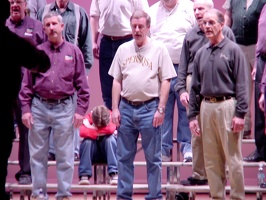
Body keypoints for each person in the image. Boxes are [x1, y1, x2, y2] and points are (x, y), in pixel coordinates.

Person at [19, 11, 90, 200]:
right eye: (47, 25)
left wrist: (80, 111)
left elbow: (83, 86)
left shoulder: (74, 52)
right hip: (39, 107)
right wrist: (25, 109)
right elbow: (26, 84)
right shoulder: (37, 51)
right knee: (37, 156)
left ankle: (64, 195)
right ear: (44, 28)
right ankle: (39, 194)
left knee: (65, 157)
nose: (51, 28)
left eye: (54, 24)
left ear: (62, 27)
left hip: (64, 108)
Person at [108, 10, 176, 200]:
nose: (137, 30)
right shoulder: (123, 49)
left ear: (148, 27)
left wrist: (161, 109)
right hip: (126, 109)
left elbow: (166, 80)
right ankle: (123, 196)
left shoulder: (159, 49)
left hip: (149, 109)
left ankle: (154, 196)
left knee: (153, 159)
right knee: (123, 158)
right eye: (134, 26)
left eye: (141, 26)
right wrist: (115, 108)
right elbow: (116, 81)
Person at [188, 8, 248, 199]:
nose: (206, 26)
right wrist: (192, 116)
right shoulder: (200, 54)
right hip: (206, 108)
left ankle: (237, 197)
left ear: (222, 25)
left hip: (227, 107)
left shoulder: (233, 50)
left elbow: (242, 84)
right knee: (211, 160)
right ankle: (217, 196)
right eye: (204, 23)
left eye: (211, 22)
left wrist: (240, 114)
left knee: (233, 158)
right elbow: (195, 88)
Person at [175, 0, 235, 186]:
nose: (197, 13)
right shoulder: (191, 35)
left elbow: (235, 64)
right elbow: (183, 66)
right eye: (194, 10)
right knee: (196, 130)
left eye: (201, 9)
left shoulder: (227, 33)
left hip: (219, 83)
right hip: (194, 82)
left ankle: (223, 174)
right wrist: (182, 89)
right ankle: (200, 174)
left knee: (222, 132)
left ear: (211, 11)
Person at [0, 0, 50, 199]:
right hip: (5, 101)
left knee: (26, 131)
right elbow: (41, 62)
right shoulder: (7, 36)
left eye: (18, 1)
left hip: (25, 90)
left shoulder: (35, 26)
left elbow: (45, 58)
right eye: (11, 2)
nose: (14, 5)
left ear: (25, 5)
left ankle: (25, 172)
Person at [37, 0, 94, 162]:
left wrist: (84, 72)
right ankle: (51, 151)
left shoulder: (79, 13)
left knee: (73, 112)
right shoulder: (44, 11)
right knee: (47, 110)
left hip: (71, 71)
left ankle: (73, 150)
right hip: (47, 70)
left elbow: (87, 46)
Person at [149, 0, 196, 162]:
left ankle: (187, 147)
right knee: (163, 110)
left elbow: (199, 35)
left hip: (185, 68)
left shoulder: (189, 7)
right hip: (161, 71)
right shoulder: (152, 11)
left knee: (186, 110)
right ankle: (164, 149)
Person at [90, 0, 149, 110]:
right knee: (107, 89)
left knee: (129, 87)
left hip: (128, 41)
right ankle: (111, 125)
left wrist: (144, 44)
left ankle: (126, 124)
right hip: (106, 43)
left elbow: (144, 16)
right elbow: (94, 16)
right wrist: (93, 41)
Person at [223, 0, 266, 140]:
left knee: (261, 90)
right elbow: (227, 17)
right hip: (238, 46)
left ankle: (261, 132)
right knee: (241, 88)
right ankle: (245, 128)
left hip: (257, 47)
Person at [78, 105, 118, 185]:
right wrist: (101, 132)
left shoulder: (110, 115)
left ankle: (114, 173)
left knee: (110, 139)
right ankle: (84, 175)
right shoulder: (89, 116)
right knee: (87, 141)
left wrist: (90, 128)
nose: (99, 127)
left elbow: (111, 129)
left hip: (107, 153)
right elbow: (82, 132)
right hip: (93, 154)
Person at [255, 4, 266, 169]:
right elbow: (261, 38)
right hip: (262, 59)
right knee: (259, 108)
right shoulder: (265, 7)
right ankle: (261, 150)